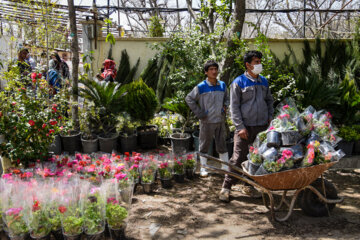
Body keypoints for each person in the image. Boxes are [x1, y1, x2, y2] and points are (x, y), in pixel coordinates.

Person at [219, 50, 274, 202]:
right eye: (256, 62)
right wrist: (240, 127)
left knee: (256, 158)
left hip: (261, 127)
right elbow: (233, 107)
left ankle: (248, 185)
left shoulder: (263, 81)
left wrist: (270, 117)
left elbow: (269, 101)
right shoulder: (238, 82)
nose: (259, 64)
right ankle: (226, 187)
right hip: (244, 127)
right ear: (248, 65)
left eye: (259, 61)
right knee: (238, 157)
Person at [185, 60, 230, 177]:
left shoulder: (222, 85)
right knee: (204, 145)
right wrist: (199, 112)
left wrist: (225, 106)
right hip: (206, 121)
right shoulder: (201, 87)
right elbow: (189, 98)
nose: (214, 71)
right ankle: (204, 168)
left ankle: (225, 166)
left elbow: (227, 98)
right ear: (206, 72)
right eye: (211, 69)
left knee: (222, 144)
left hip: (220, 120)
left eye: (215, 69)